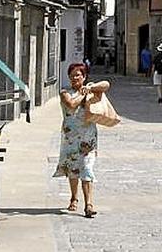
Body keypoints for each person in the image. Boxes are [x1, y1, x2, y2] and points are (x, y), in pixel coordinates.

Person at [53, 63, 110, 218]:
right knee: (73, 170)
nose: (75, 77)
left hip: (88, 137)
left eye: (78, 75)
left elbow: (106, 85)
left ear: (84, 77)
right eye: (72, 75)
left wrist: (91, 88)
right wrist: (83, 95)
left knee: (87, 169)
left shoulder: (90, 90)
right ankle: (73, 197)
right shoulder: (65, 92)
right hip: (70, 137)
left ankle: (89, 204)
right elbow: (71, 105)